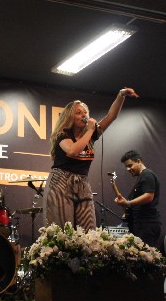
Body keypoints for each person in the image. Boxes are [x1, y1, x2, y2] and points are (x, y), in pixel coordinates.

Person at [45, 88, 138, 230]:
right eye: (78, 113)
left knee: (88, 231)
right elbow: (73, 151)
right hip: (61, 182)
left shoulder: (91, 134)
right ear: (69, 117)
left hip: (82, 182)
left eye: (85, 112)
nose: (84, 115)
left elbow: (111, 116)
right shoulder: (63, 135)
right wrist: (90, 130)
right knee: (63, 231)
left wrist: (121, 95)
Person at [114, 150, 161, 248]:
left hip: (146, 225)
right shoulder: (142, 176)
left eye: (130, 165)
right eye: (126, 166)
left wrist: (128, 203)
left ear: (139, 161)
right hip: (140, 224)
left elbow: (149, 196)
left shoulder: (147, 175)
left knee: (146, 255)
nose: (128, 169)